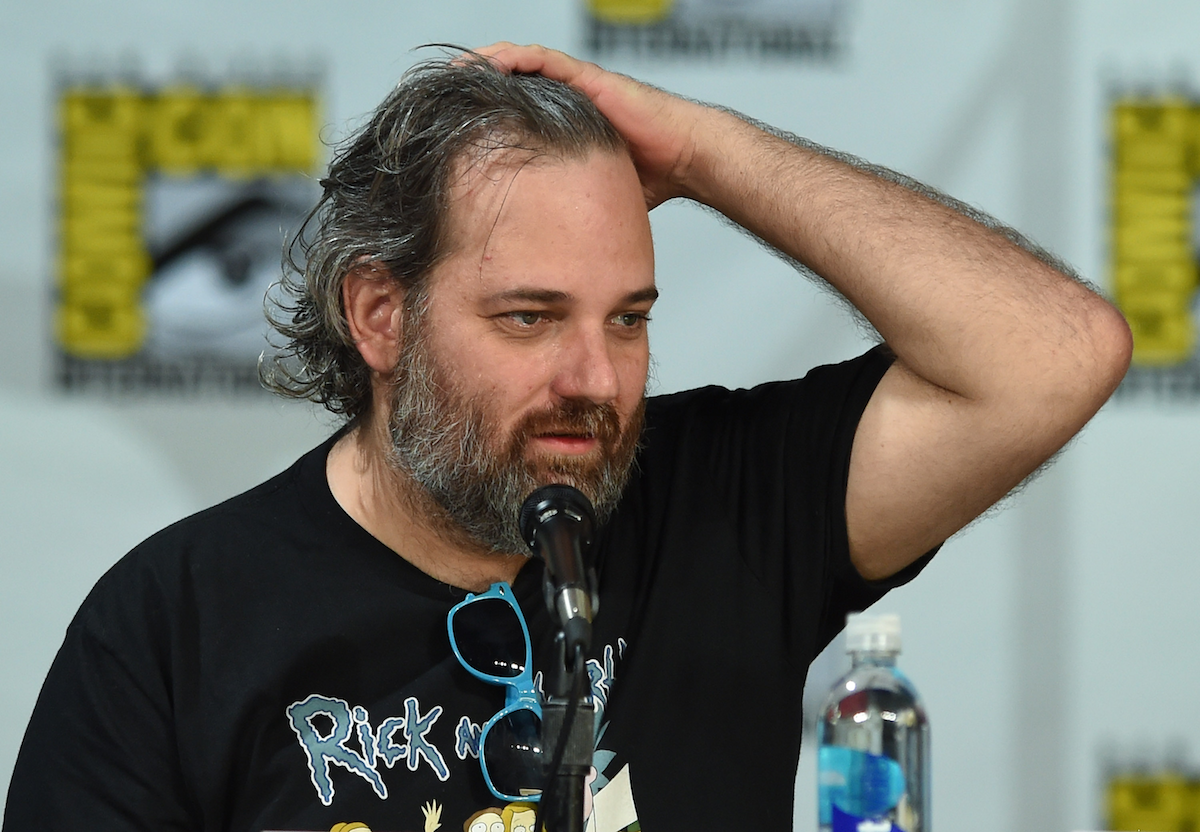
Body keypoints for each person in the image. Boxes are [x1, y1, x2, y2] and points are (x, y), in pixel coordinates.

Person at [3, 43, 1131, 832]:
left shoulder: (723, 505)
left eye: (629, 320)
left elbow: (1056, 353)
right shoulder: (175, 623)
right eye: (529, 318)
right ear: (380, 316)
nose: (595, 382)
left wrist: (701, 152)